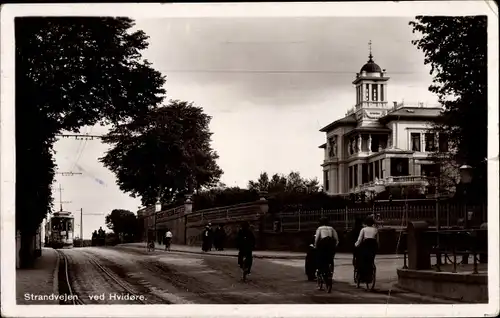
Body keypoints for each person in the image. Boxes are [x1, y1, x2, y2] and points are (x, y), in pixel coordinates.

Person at [354, 216, 379, 286]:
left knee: (361, 261)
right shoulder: (376, 230)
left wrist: (355, 245)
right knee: (371, 260)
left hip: (365, 247)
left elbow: (359, 240)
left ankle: (360, 277)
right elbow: (377, 241)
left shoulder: (363, 229)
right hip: (373, 248)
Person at [314, 217, 339, 284]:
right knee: (330, 258)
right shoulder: (331, 228)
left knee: (320, 257)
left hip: (323, 243)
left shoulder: (320, 228)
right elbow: (336, 239)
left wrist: (315, 246)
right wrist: (335, 246)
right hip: (331, 244)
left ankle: (320, 269)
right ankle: (330, 271)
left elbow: (317, 239)